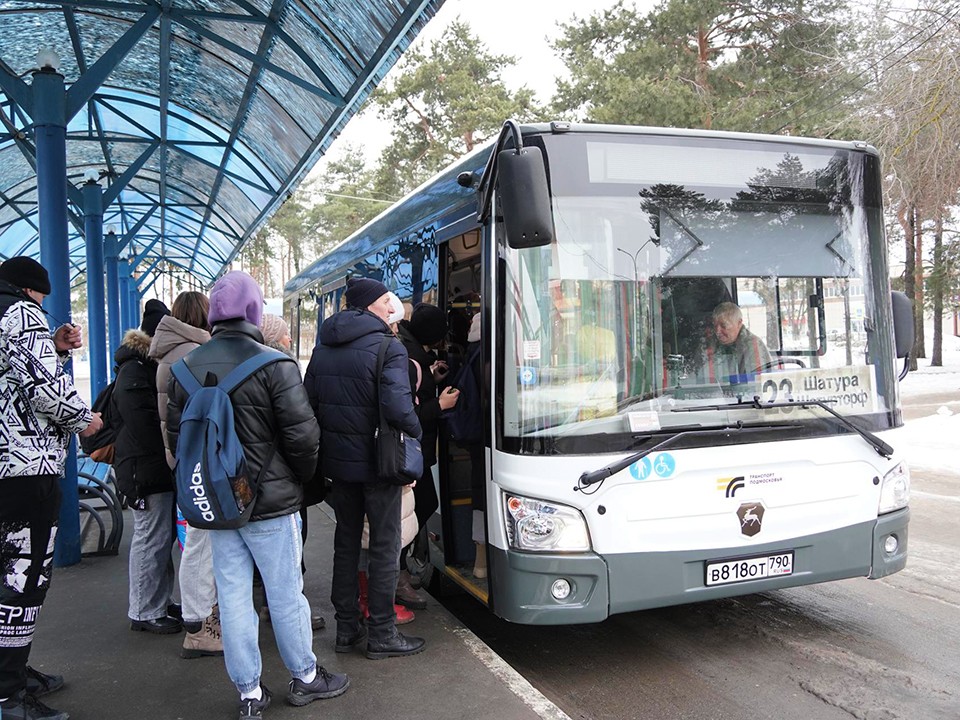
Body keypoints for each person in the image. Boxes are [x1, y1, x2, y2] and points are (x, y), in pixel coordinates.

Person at [166, 271, 348, 718]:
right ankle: (305, 676)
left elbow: (177, 439)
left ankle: (249, 692)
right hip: (271, 505)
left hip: (219, 507)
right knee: (286, 594)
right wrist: (300, 484)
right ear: (254, 310)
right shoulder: (275, 364)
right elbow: (304, 440)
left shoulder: (182, 370)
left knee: (231, 597)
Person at [0, 256, 102, 720]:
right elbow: (42, 391)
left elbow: (16, 380)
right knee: (24, 577)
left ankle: (12, 676)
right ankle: (9, 695)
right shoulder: (21, 314)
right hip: (25, 468)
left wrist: (56, 352)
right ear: (32, 291)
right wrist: (86, 419)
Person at [304, 277, 424, 660]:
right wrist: (417, 434)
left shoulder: (323, 348)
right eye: (385, 300)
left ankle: (347, 627)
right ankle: (383, 633)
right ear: (371, 305)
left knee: (346, 542)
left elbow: (310, 404)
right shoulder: (388, 347)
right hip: (379, 463)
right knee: (385, 547)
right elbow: (398, 408)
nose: (391, 307)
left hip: (339, 464)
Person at [149, 291, 222, 659]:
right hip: (198, 459)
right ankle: (198, 627)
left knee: (196, 539)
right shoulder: (189, 355)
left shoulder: (170, 351)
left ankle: (202, 619)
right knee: (200, 542)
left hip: (183, 458)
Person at [114, 300, 184, 637]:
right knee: (150, 539)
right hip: (144, 469)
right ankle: (144, 609)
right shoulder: (136, 370)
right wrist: (169, 450)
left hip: (151, 467)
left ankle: (159, 600)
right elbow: (144, 424)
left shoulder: (140, 367)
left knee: (160, 538)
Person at [257, 313, 325, 633]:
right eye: (286, 335)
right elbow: (300, 432)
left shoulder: (245, 364)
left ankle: (267, 604)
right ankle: (289, 613)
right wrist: (306, 471)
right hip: (285, 476)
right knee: (290, 545)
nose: (290, 339)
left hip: (251, 476)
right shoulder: (283, 368)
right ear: (275, 338)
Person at [395, 303, 459, 608]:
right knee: (413, 512)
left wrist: (431, 381)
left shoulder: (412, 349)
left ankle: (399, 572)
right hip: (410, 451)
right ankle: (398, 574)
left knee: (417, 509)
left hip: (416, 450)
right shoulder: (409, 355)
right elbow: (406, 412)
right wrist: (440, 406)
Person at [706, 301, 772, 382]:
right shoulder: (709, 344)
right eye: (715, 326)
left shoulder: (753, 346)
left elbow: (755, 385)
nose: (717, 331)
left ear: (739, 323)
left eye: (724, 326)